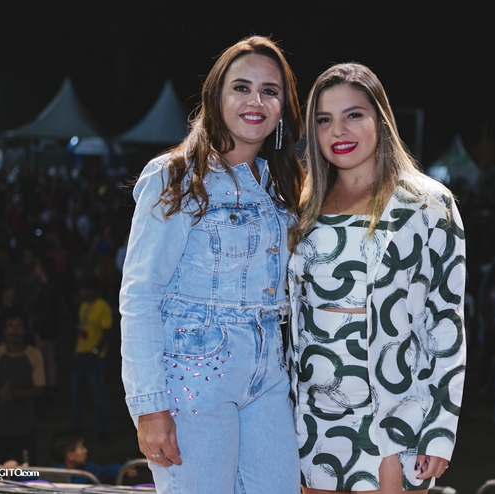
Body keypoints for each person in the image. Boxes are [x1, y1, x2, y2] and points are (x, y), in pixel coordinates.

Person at [119, 36, 305, 494]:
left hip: (268, 375)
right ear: (216, 96)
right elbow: (140, 295)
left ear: (284, 107)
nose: (256, 101)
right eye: (241, 88)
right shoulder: (177, 176)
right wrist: (150, 406)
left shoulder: (283, 185)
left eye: (270, 91)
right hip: (194, 377)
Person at [287, 63, 466, 493]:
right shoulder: (302, 205)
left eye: (354, 114)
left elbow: (446, 322)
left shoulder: (428, 204)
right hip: (311, 417)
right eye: (324, 119)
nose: (338, 130)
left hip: (394, 414)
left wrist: (440, 428)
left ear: (380, 119)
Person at [0, 311, 45, 465]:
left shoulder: (33, 354)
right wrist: (0, 393)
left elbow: (40, 387)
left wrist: (15, 393)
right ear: (4, 330)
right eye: (10, 326)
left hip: (24, 426)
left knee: (27, 472)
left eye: (18, 326)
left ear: (24, 330)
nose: (14, 331)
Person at [71, 278, 112, 437]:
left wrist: (96, 351)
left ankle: (104, 429)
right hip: (80, 353)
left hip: (95, 356)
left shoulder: (102, 306)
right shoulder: (83, 306)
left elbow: (107, 332)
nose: (83, 293)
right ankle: (75, 426)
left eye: (86, 289)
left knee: (99, 393)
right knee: (76, 393)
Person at [50, 431, 137, 484]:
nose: (85, 450)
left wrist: (123, 469)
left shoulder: (89, 470)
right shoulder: (52, 473)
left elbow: (106, 470)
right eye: (81, 448)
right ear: (70, 456)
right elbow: (38, 476)